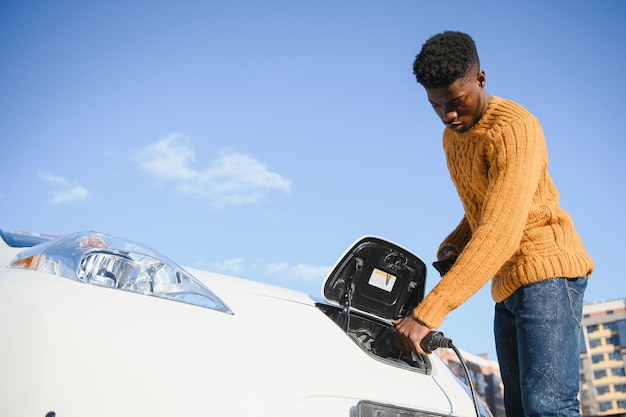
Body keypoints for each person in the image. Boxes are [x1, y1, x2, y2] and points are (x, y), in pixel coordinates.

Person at [391, 31, 594, 417]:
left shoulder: (514, 128)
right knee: (518, 410)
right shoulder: (453, 140)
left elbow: (502, 228)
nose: (448, 115)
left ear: (480, 79)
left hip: (547, 271)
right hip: (507, 283)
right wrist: (456, 241)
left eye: (456, 102)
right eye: (436, 106)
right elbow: (485, 207)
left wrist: (425, 314)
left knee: (548, 408)